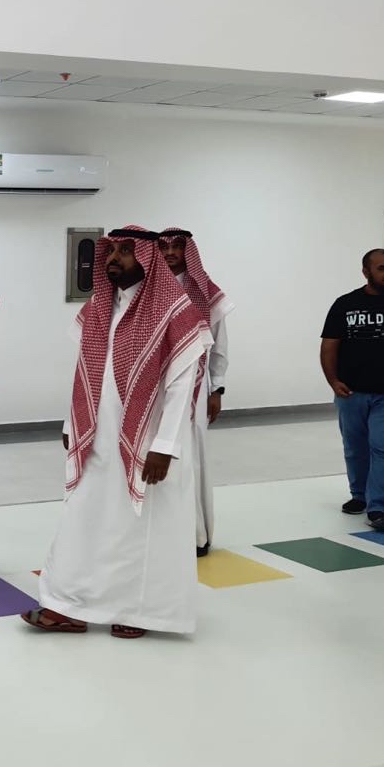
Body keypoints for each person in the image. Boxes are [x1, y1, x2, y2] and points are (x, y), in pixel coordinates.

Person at [25, 226, 208, 638]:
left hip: (149, 442)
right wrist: (72, 422)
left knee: (140, 530)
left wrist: (165, 445)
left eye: (126, 251)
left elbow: (182, 384)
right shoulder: (100, 306)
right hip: (97, 436)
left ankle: (140, 612)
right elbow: (83, 371)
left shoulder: (174, 310)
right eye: (111, 250)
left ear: (147, 257)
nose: (114, 259)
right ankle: (66, 604)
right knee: (83, 518)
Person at [320, 249, 384, 531]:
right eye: (382, 269)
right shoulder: (345, 304)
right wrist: (333, 381)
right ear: (366, 272)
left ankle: (378, 507)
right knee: (355, 448)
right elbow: (329, 346)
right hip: (352, 392)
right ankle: (359, 495)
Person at [160, 228, 234, 557]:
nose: (170, 253)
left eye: (177, 247)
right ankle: (163, 532)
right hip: (156, 389)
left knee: (191, 458)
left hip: (196, 386)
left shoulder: (205, 291)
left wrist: (217, 388)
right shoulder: (149, 290)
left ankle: (196, 534)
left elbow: (219, 345)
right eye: (164, 247)